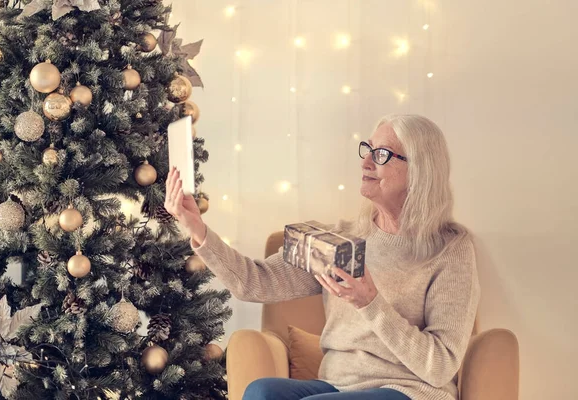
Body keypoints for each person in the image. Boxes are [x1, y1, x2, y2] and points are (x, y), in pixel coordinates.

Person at [164, 114, 480, 400]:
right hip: (337, 387)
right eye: (367, 150)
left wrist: (369, 302)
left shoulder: (450, 248)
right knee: (261, 392)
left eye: (381, 155)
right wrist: (200, 232)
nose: (366, 162)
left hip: (409, 391)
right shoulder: (339, 242)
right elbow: (252, 282)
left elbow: (440, 366)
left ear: (420, 170)